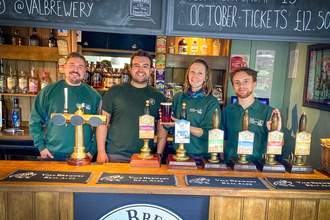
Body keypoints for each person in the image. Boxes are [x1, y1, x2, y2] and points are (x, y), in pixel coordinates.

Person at [96, 49, 168, 163]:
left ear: (151, 70)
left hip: (146, 156)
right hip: (115, 155)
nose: (140, 70)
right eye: (136, 65)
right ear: (130, 69)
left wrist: (159, 154)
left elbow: (162, 129)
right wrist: (101, 152)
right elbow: (102, 123)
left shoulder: (158, 97)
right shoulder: (114, 91)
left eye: (145, 66)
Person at [29, 52, 101, 161]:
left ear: (85, 71)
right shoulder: (48, 91)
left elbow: (100, 126)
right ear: (65, 67)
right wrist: (41, 147)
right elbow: (35, 120)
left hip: (83, 156)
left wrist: (93, 151)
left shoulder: (94, 95)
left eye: (80, 67)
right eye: (72, 65)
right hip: (53, 154)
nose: (75, 70)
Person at [161, 58, 221, 164]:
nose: (195, 76)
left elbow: (208, 134)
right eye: (192, 71)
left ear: (206, 78)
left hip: (200, 159)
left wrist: (180, 125)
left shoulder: (211, 101)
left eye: (200, 73)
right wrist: (166, 120)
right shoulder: (178, 97)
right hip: (177, 154)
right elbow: (168, 126)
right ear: (188, 74)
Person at [220, 67, 282, 163]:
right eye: (237, 82)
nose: (241, 86)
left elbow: (279, 146)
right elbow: (223, 140)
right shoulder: (227, 111)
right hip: (230, 166)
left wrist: (275, 132)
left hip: (257, 167)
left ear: (254, 84)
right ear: (233, 87)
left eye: (246, 81)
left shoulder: (269, 112)